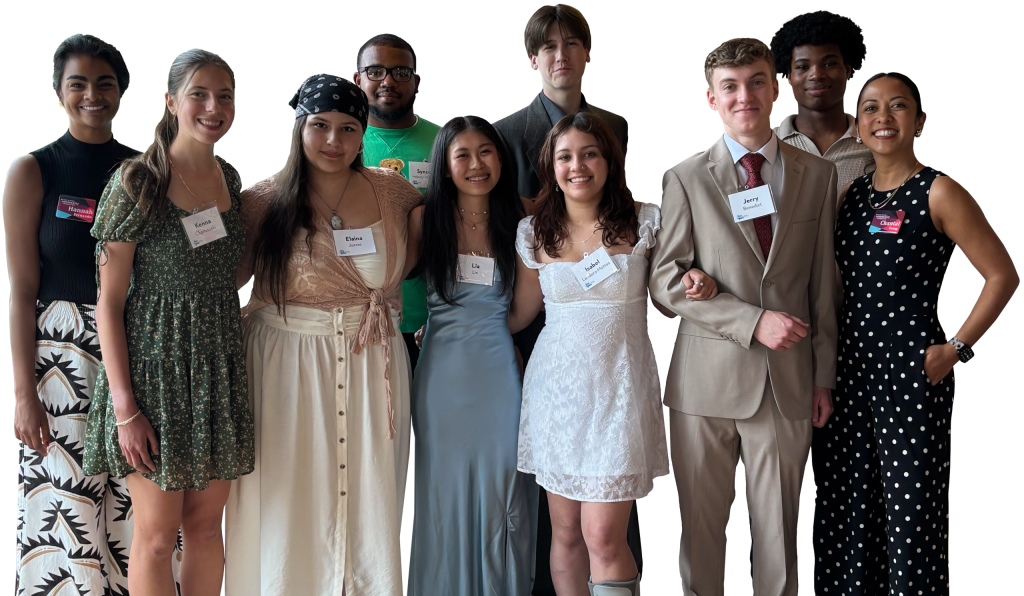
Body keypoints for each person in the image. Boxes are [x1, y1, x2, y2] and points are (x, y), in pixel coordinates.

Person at [814, 71, 1018, 596]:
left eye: (898, 106)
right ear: (857, 125)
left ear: (920, 120)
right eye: (871, 108)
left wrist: (955, 348)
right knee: (847, 515)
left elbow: (1003, 277)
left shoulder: (940, 190)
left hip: (912, 372)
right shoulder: (852, 196)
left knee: (911, 517)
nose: (883, 118)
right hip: (850, 372)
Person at [650, 38, 839, 596]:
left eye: (756, 81)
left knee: (780, 535)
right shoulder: (684, 178)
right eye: (729, 86)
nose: (744, 96)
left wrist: (823, 375)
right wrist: (751, 320)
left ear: (775, 88)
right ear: (712, 98)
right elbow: (665, 280)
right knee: (701, 536)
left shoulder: (817, 174)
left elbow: (823, 284)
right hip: (704, 386)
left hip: (788, 382)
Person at [224, 74, 421, 596]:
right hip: (284, 367)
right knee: (289, 494)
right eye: (320, 126)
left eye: (348, 128)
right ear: (297, 127)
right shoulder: (259, 202)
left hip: (371, 354)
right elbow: (227, 285)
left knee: (371, 492)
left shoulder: (396, 192)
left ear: (363, 135)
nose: (333, 141)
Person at [509, 112, 714, 596]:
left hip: (619, 392)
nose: (577, 166)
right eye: (564, 157)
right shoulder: (533, 231)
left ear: (608, 161)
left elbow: (667, 300)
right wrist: (450, 325)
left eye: (589, 153)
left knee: (603, 535)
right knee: (563, 533)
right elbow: (519, 314)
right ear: (550, 167)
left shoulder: (646, 222)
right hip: (556, 394)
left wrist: (695, 282)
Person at [81, 49, 254, 596]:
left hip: (217, 376)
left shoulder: (232, 178)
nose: (213, 106)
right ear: (171, 102)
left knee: (205, 528)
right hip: (153, 383)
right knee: (156, 538)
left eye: (224, 95)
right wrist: (124, 407)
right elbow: (108, 303)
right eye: (199, 94)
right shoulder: (137, 182)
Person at [492, 6, 639, 592]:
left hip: (613, 348)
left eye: (571, 44)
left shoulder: (615, 124)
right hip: (544, 310)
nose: (560, 55)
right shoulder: (507, 131)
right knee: (559, 524)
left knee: (603, 532)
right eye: (547, 47)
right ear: (533, 60)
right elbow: (501, 228)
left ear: (587, 54)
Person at [5, 33, 150, 596]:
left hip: (135, 348)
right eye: (78, 83)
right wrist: (23, 393)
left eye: (105, 83)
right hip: (60, 357)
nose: (93, 94)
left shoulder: (143, 171)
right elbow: (20, 290)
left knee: (136, 503)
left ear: (122, 94)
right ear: (58, 93)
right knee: (68, 504)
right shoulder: (31, 172)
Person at [404, 115, 534, 595]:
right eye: (463, 154)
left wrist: (492, 336)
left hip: (499, 372)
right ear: (444, 165)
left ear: (501, 156)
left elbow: (522, 310)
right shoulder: (424, 218)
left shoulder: (522, 218)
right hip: (442, 377)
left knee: (503, 491)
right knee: (442, 493)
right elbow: (391, 284)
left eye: (486, 151)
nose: (477, 164)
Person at [355, 33, 441, 371]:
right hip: (361, 316)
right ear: (357, 80)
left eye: (400, 73)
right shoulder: (336, 143)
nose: (388, 81)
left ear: (416, 81)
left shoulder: (448, 141)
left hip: (435, 316)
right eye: (375, 71)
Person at [771, 10, 875, 190]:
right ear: (789, 76)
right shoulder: (768, 146)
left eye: (829, 64)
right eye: (803, 66)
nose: (816, 75)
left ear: (847, 70)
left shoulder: (876, 142)